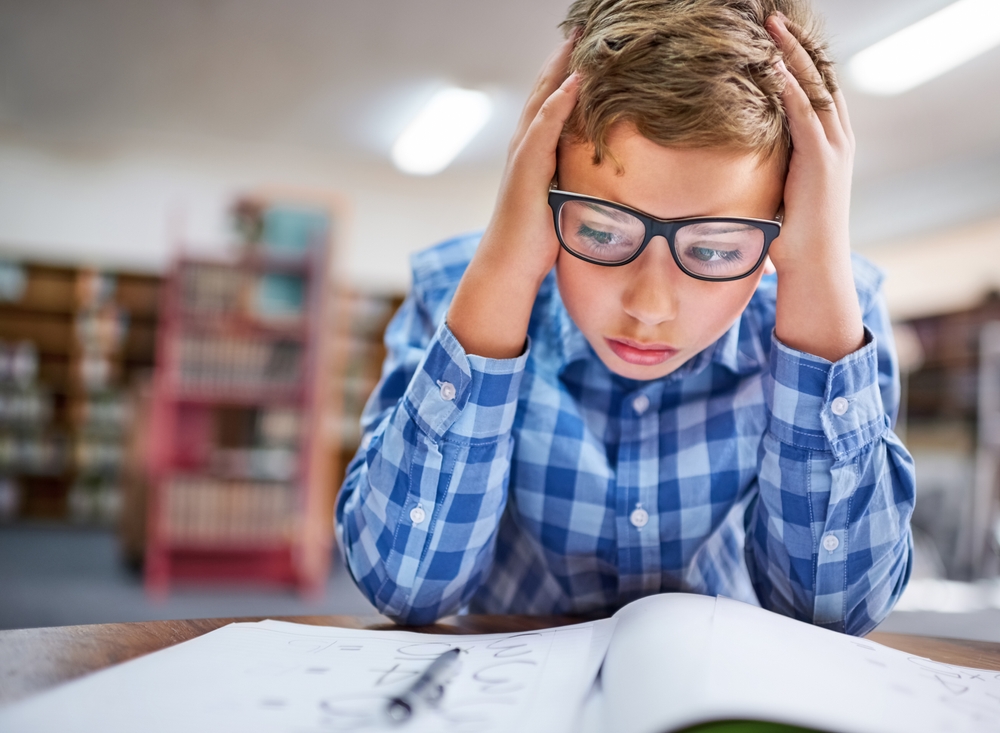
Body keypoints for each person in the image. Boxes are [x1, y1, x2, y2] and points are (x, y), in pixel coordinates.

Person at [335, 0, 915, 635]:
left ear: (783, 231)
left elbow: (838, 612)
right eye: (602, 233)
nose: (650, 306)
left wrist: (816, 273)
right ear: (543, 186)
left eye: (717, 249)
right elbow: (404, 588)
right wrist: (504, 270)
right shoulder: (455, 293)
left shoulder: (834, 314)